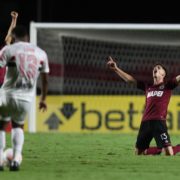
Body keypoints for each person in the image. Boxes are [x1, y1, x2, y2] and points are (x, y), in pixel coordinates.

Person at [107, 56, 180, 156]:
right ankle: (159, 150)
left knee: (169, 153)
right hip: (145, 122)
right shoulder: (147, 87)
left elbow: (178, 78)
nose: (156, 69)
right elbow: (130, 80)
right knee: (139, 153)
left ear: (163, 74)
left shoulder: (168, 86)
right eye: (155, 68)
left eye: (159, 68)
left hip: (159, 122)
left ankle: (177, 148)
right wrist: (116, 69)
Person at [0, 25, 49, 171]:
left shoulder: (9, 50)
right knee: (18, 126)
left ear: (14, 37)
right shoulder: (41, 53)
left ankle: (0, 160)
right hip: (26, 99)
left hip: (7, 95)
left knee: (1, 126)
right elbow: (45, 80)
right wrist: (43, 99)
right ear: (27, 37)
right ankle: (16, 159)